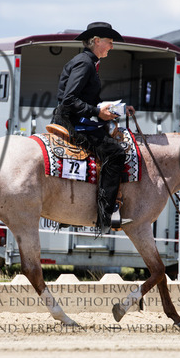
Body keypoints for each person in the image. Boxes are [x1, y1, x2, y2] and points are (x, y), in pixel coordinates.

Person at [52, 22, 135, 232]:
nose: (112, 46)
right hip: (72, 122)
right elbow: (69, 100)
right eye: (110, 42)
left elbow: (85, 99)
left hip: (77, 118)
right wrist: (97, 112)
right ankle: (106, 213)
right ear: (97, 41)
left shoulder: (88, 62)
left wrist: (116, 109)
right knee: (115, 153)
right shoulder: (85, 64)